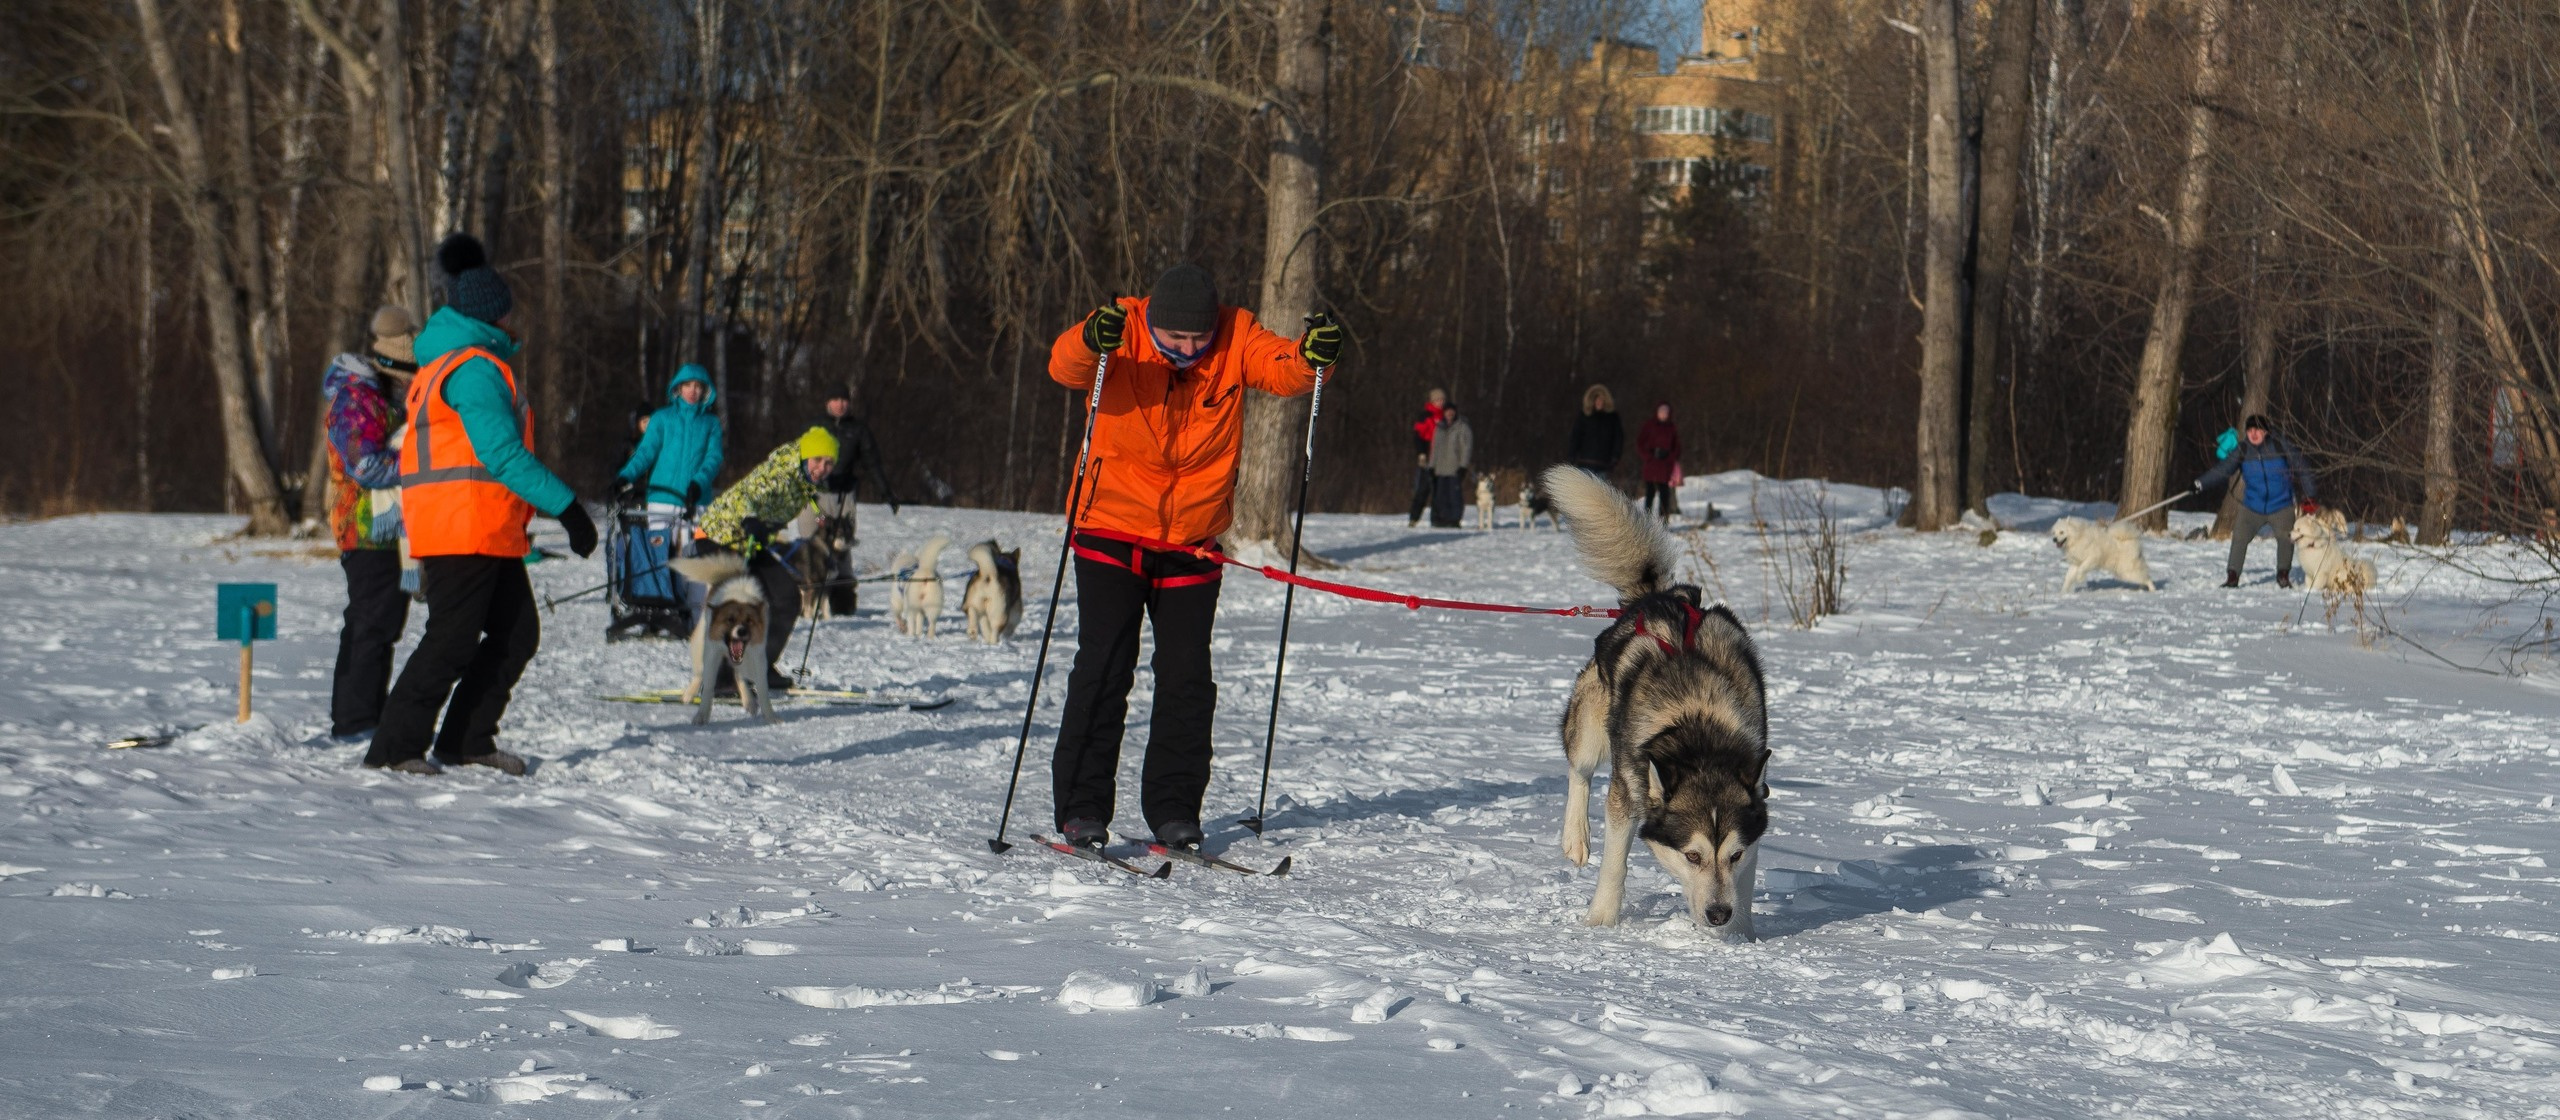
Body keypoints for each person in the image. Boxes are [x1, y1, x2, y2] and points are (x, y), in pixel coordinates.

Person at [1046, 262, 1342, 851]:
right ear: (1151, 321)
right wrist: (1089, 338)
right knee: (1103, 667)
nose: (1185, 350)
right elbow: (1066, 364)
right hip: (1110, 529)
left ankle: (1175, 808)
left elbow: (1283, 369)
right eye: (1173, 339)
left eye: (1196, 340)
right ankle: (1082, 808)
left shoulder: (1235, 335)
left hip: (1192, 540)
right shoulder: (1121, 327)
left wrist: (1315, 358)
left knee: (1187, 677)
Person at [368, 234, 596, 776]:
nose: (513, 319)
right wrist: (568, 507)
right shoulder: (472, 368)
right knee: (451, 639)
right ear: (492, 312)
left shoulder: (453, 361)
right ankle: (394, 748)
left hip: (482, 526)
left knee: (516, 635)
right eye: (508, 309)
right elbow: (500, 455)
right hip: (461, 526)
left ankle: (466, 741)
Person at [322, 305, 420, 743]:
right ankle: (355, 721)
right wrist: (423, 465)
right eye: (411, 373)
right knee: (370, 624)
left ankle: (364, 717)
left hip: (389, 528)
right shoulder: (358, 397)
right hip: (364, 527)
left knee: (381, 624)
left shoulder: (383, 397)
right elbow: (364, 465)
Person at [695, 427, 840, 689]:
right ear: (805, 456)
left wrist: (825, 528)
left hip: (748, 542)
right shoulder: (781, 474)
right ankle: (721, 678)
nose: (822, 467)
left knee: (786, 597)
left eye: (829, 463)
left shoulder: (804, 484)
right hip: (717, 535)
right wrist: (750, 519)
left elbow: (814, 507)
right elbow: (748, 495)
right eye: (817, 460)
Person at [2194, 413, 2318, 589]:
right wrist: (2200, 483)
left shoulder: (2279, 446)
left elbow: (2303, 468)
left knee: (2285, 538)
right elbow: (2222, 471)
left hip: (2281, 505)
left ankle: (2283, 574)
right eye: (2250, 430)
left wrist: (2310, 496)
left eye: (2258, 430)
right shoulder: (2243, 450)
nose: (2253, 434)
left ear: (2266, 431)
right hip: (2252, 506)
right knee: (2239, 536)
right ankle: (2232, 576)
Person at [615, 364, 724, 516]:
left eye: (697, 386)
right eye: (687, 385)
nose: (692, 390)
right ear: (679, 387)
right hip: (661, 502)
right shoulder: (661, 418)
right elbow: (645, 453)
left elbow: (714, 458)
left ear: (705, 390)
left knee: (696, 541)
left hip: (696, 502)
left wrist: (699, 483)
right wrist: (626, 476)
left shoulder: (711, 423)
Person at [816, 388, 900, 534]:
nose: (840, 405)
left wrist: (887, 493)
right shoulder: (815, 427)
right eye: (835, 400)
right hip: (818, 496)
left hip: (846, 496)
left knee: (843, 541)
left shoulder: (859, 430)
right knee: (816, 538)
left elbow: (872, 464)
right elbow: (797, 461)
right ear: (828, 403)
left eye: (844, 400)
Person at [1427, 399, 1475, 528]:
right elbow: (1435, 448)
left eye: (1451, 411)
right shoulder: (1439, 428)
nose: (1449, 413)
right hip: (1440, 468)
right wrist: (1431, 466)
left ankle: (1454, 519)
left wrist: (1463, 466)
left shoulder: (1462, 427)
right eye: (1447, 411)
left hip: (1454, 468)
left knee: (1454, 496)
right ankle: (1440, 519)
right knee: (1440, 496)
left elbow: (1466, 448)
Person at [1406, 387, 1447, 527]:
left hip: (1442, 458)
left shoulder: (1446, 416)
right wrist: (1421, 453)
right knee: (1422, 489)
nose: (1440, 402)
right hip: (1427, 456)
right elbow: (1418, 436)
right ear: (1432, 401)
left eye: (1442, 400)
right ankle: (1414, 518)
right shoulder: (1425, 416)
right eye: (1438, 400)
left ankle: (1437, 519)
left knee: (1440, 490)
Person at [1636, 401, 1682, 520]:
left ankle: (1663, 522)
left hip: (1665, 465)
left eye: (1666, 412)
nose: (1663, 414)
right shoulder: (1649, 425)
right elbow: (1640, 443)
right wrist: (1648, 456)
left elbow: (1676, 447)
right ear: (1657, 412)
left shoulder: (1671, 427)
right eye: (1661, 412)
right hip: (1651, 464)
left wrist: (1669, 458)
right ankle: (1646, 522)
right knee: (1650, 493)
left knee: (1664, 494)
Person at [1566, 383, 1622, 479]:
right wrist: (1572, 455)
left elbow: (1618, 438)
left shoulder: (1612, 418)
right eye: (1597, 399)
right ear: (1593, 400)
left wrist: (1615, 458)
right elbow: (1576, 436)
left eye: (1601, 399)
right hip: (1584, 463)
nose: (1599, 402)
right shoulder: (1584, 416)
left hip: (1603, 464)